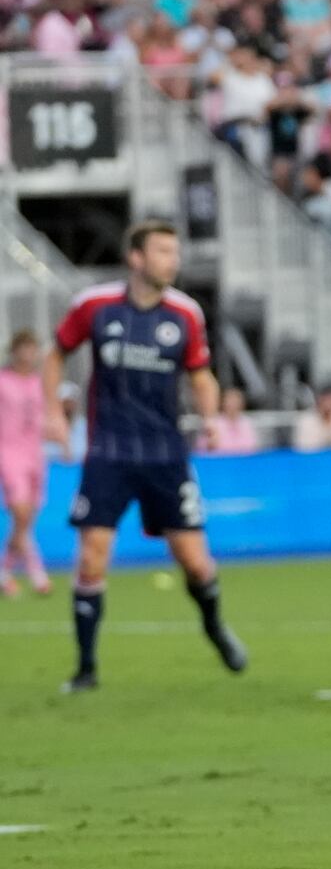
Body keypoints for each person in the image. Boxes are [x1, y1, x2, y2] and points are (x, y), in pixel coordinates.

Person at [43, 221, 249, 694]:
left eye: (174, 252)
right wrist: (53, 412)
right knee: (92, 557)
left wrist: (212, 419)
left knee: (195, 563)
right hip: (108, 452)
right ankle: (86, 668)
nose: (172, 261)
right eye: (162, 251)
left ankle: (214, 625)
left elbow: (200, 375)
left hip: (165, 454)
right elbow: (57, 354)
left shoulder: (185, 314)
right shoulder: (94, 306)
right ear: (136, 258)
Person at [0, 330, 60, 596]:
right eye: (22, 348)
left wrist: (63, 440)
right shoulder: (2, 381)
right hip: (8, 452)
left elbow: (46, 418)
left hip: (35, 455)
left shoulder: (40, 383)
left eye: (31, 348)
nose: (27, 354)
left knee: (26, 521)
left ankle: (4, 571)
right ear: (13, 351)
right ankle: (38, 575)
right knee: (21, 513)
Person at [206, 386, 261, 455]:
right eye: (230, 400)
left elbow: (252, 446)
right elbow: (205, 447)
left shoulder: (246, 422)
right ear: (223, 403)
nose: (233, 404)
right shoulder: (213, 423)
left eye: (236, 401)